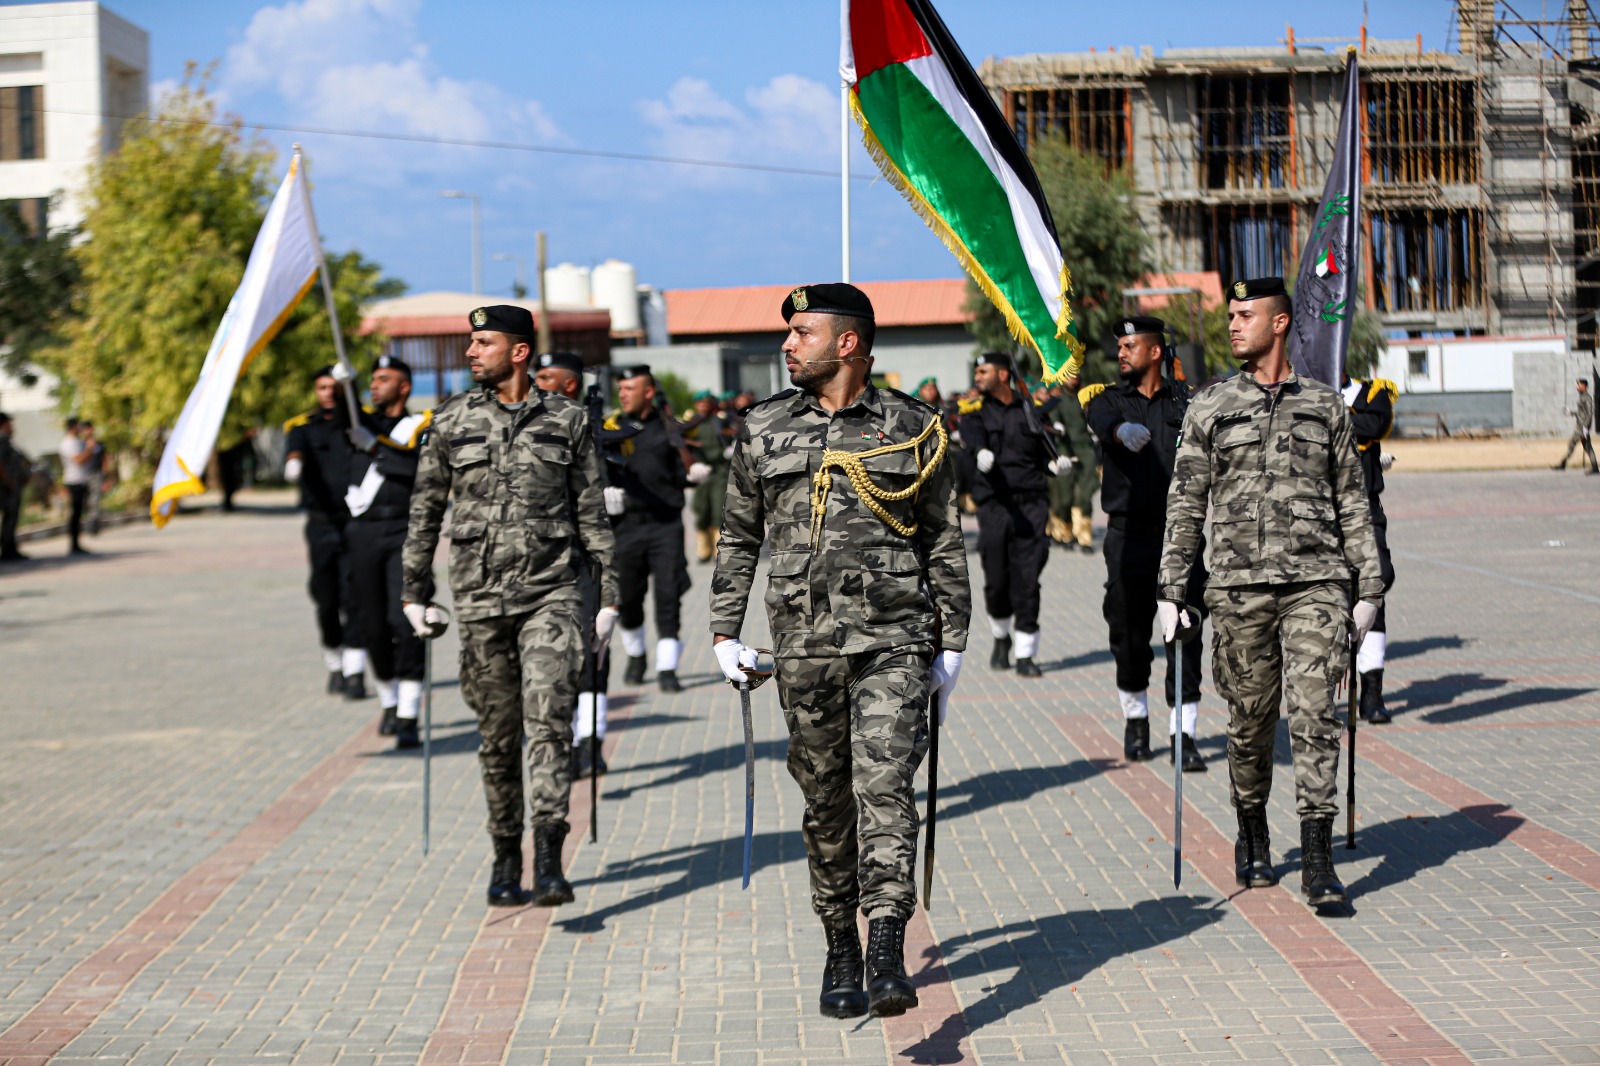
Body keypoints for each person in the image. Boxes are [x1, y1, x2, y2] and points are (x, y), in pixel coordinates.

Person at [711, 283, 971, 1020]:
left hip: (894, 638)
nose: (788, 345)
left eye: (802, 332)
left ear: (847, 342)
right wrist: (724, 631)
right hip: (802, 646)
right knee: (827, 802)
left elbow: (943, 538)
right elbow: (739, 536)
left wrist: (953, 640)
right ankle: (840, 945)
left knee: (884, 788)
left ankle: (886, 941)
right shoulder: (764, 427)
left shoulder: (914, 427)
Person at [1159, 277, 1384, 910]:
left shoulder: (1325, 406)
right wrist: (1172, 591)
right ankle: (1252, 828)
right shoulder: (1211, 407)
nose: (1232, 325)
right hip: (1238, 590)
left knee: (1315, 716)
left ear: (1280, 323)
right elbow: (1186, 503)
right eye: (1230, 315)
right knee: (1251, 721)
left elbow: (1352, 499)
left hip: (1317, 583)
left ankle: (1318, 854)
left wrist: (1369, 587)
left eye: (1245, 315)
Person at [403, 306, 618, 908]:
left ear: (519, 351)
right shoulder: (450, 420)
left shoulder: (567, 420)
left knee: (549, 721)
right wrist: (414, 592)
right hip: (478, 598)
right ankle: (505, 854)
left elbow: (591, 512)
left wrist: (608, 598)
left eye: (483, 342)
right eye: (471, 343)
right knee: (498, 737)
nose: (471, 352)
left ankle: (549, 857)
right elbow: (424, 511)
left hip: (551, 593)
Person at [1084, 316, 1208, 769]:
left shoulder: (1187, 402)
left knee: (1186, 628)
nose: (1120, 352)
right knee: (1129, 630)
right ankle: (1136, 718)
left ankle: (1183, 732)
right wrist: (1120, 431)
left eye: (1130, 346)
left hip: (1180, 532)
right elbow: (1099, 418)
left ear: (1155, 352)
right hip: (1128, 533)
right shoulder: (1108, 400)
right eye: (1119, 345)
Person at [336, 355, 431, 748]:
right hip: (363, 532)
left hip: (404, 530)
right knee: (371, 624)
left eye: (383, 379)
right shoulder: (360, 423)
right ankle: (389, 700)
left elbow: (417, 468)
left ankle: (408, 713)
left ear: (404, 387)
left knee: (405, 620)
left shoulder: (421, 425)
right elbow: (342, 411)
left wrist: (375, 448)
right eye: (372, 379)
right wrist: (343, 383)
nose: (374, 385)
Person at [960, 352, 1069, 677]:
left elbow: (1043, 450)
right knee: (996, 580)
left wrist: (1054, 466)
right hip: (995, 505)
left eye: (984, 371)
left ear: (1003, 375)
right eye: (977, 371)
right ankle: (1000, 636)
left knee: (1028, 578)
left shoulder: (1030, 410)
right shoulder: (975, 412)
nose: (978, 377)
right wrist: (980, 451)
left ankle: (1025, 653)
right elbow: (971, 435)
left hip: (1031, 504)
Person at [599, 366, 707, 693]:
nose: (623, 394)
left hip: (665, 524)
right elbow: (597, 469)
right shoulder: (610, 428)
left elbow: (681, 470)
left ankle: (667, 666)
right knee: (628, 598)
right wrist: (604, 493)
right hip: (626, 525)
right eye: (621, 388)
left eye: (630, 388)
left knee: (668, 594)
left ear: (648, 392)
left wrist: (694, 475)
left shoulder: (668, 429)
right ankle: (636, 655)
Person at [534, 350, 612, 779]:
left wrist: (618, 493)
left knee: (591, 651)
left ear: (569, 385)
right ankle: (555, 743)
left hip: (589, 557)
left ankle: (591, 739)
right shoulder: (530, 427)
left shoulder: (596, 427)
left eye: (546, 377)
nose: (537, 383)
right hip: (544, 557)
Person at [283, 367, 368, 697]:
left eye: (334, 387)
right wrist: (294, 463)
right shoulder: (303, 427)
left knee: (356, 595)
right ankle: (334, 659)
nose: (328, 393)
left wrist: (352, 386)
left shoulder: (357, 423)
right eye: (322, 387)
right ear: (315, 391)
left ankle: (355, 669)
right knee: (326, 597)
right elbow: (295, 448)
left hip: (355, 522)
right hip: (321, 524)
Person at [1342, 369, 1399, 723]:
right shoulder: (1301, 394)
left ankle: (1372, 694)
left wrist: (1329, 418)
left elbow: (1376, 424)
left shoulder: (1373, 392)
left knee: (1377, 583)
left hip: (1365, 508)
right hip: (1319, 514)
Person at [1046, 386, 1099, 552]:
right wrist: (1057, 425)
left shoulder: (1085, 399)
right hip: (1065, 449)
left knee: (1084, 495)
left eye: (1076, 374)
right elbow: (1053, 417)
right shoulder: (1057, 401)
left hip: (1085, 449)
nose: (1073, 378)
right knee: (1064, 496)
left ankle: (1084, 538)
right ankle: (1064, 533)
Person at [684, 389, 734, 564]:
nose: (703, 406)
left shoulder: (718, 421)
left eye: (706, 403)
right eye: (700, 403)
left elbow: (731, 433)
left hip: (719, 471)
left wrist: (731, 447)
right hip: (701, 472)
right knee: (701, 510)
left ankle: (716, 550)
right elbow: (681, 441)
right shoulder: (691, 423)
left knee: (717, 511)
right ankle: (702, 550)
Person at [58, 417, 94, 555]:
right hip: (73, 482)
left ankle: (77, 544)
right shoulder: (67, 443)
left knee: (79, 514)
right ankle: (73, 545)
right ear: (73, 427)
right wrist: (89, 448)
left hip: (82, 480)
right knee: (75, 514)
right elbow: (79, 460)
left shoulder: (78, 442)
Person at [0, 412, 30, 562]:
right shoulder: (2, 439)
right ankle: (7, 550)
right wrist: (8, 481)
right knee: (9, 518)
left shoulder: (6, 440)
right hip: (6, 488)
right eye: (9, 423)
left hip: (10, 486)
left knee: (11, 518)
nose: (11, 426)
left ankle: (10, 548)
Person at [1553, 378, 1597, 473]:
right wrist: (1571, 413)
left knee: (1572, 444)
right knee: (1587, 447)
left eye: (1579, 385)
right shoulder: (1582, 397)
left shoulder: (1587, 398)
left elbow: (1589, 413)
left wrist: (1585, 427)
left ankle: (1563, 464)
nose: (1577, 387)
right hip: (1581, 426)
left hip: (1582, 427)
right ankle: (1595, 467)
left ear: (1584, 386)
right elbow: (1582, 413)